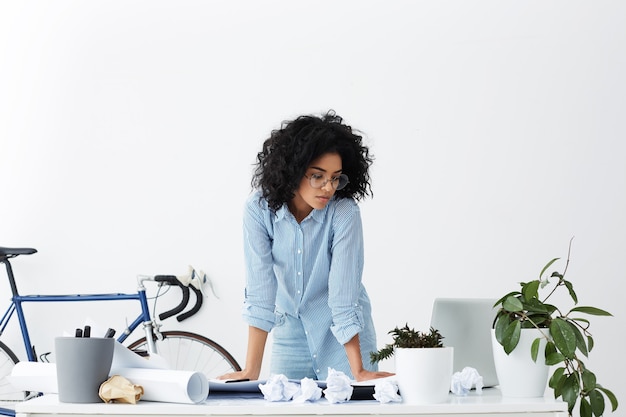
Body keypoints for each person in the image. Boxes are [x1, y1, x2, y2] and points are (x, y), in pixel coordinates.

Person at [219, 111, 393, 382]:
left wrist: (358, 370)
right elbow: (260, 292)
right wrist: (251, 370)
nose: (328, 188)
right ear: (293, 170)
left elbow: (343, 296)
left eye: (336, 178)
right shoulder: (258, 210)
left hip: (342, 337)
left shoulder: (344, 213)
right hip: (289, 331)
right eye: (317, 176)